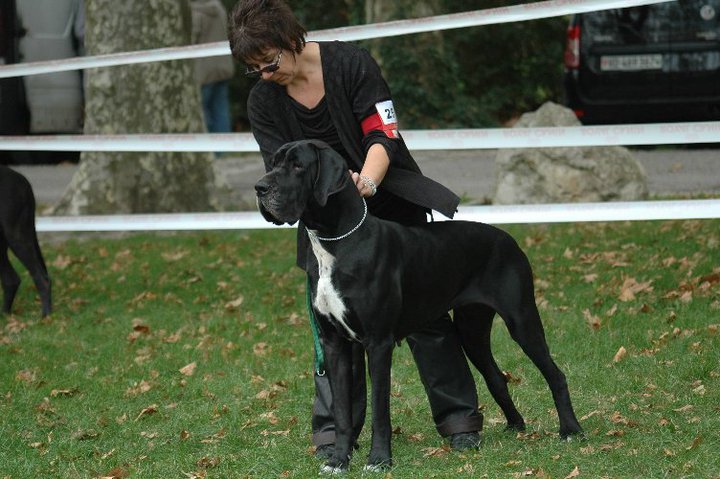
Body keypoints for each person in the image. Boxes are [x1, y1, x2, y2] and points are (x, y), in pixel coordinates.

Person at [227, 0, 483, 458]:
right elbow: (279, 171)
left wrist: (364, 182)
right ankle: (334, 433)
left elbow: (383, 133)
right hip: (324, 227)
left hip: (388, 202)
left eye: (269, 63)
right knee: (329, 329)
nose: (265, 75)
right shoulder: (263, 100)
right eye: (254, 69)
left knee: (425, 315)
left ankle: (459, 419)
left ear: (291, 40)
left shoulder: (352, 65)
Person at [191, 0, 235, 134]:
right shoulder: (220, 9)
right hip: (223, 66)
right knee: (221, 109)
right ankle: (225, 148)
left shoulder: (195, 14)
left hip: (204, 70)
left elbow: (192, 40)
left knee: (203, 111)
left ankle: (210, 149)